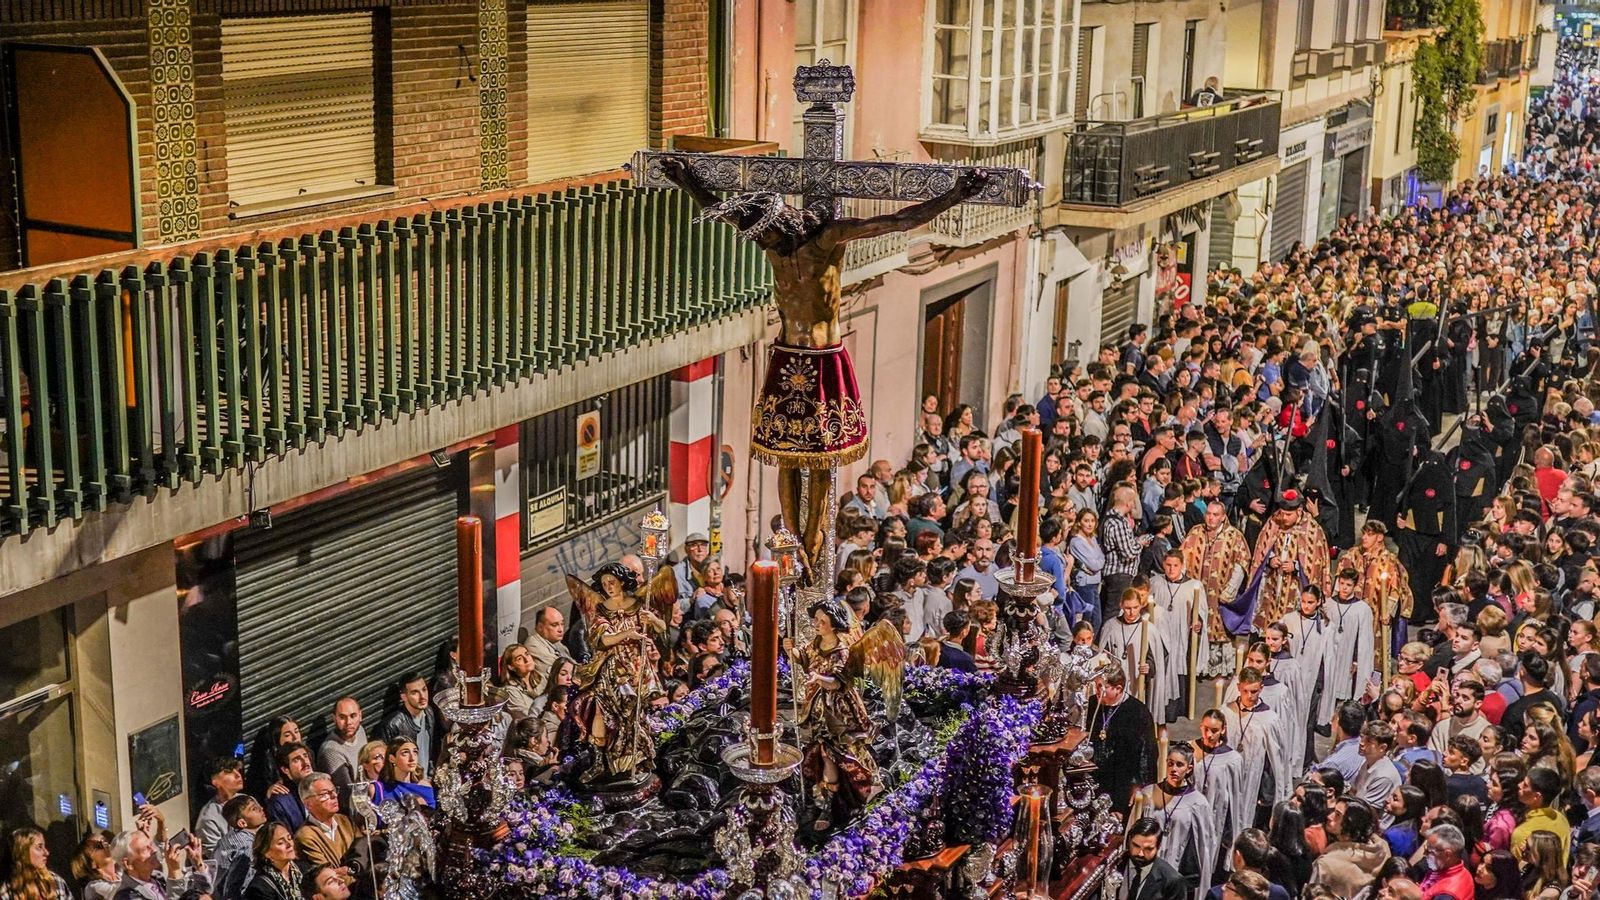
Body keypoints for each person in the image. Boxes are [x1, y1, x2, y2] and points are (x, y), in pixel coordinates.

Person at [1145, 743, 1220, 897]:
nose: (1174, 769)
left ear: (1189, 769)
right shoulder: (1149, 793)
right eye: (1170, 763)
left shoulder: (1198, 802)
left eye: (1179, 765)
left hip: (1178, 868)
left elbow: (1204, 845)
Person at [1087, 666, 1158, 818]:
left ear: (1118, 688)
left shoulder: (1138, 712)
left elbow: (1148, 754)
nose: (1097, 690)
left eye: (1103, 687)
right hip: (1094, 780)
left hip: (1122, 783)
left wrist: (1140, 785)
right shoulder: (1092, 705)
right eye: (1097, 685)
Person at [1225, 666, 1291, 828]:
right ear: (1239, 687)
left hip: (1256, 779)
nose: (1249, 696)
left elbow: (1278, 756)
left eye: (1254, 691)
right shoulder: (1226, 711)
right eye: (1245, 691)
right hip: (1230, 777)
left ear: (1261, 688)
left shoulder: (1269, 719)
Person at [1193, 709, 1249, 862]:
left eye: (1214, 730)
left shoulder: (1232, 759)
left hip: (1217, 817)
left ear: (1223, 730)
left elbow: (1236, 797)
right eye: (1205, 729)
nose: (1209, 735)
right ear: (1200, 727)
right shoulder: (1190, 749)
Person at [1308, 797, 1387, 899]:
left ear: (1351, 823)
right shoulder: (1382, 849)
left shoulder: (1326, 865)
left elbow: (1310, 895)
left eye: (1337, 815)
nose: (1329, 816)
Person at [108, 829, 207, 900]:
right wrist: (174, 872)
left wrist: (197, 862)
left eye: (151, 845)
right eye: (145, 849)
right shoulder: (126, 896)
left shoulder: (158, 878)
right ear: (128, 863)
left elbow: (202, 893)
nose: (154, 850)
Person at [380, 673, 445, 778]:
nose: (422, 696)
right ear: (404, 697)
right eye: (415, 693)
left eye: (424, 690)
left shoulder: (429, 712)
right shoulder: (393, 725)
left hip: (425, 779)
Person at [292, 773, 354, 870]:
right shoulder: (305, 836)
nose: (334, 796)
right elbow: (329, 876)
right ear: (308, 804)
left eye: (334, 790)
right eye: (325, 794)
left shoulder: (344, 820)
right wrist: (357, 872)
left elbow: (365, 852)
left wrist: (354, 869)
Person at [1118, 817, 1188, 900]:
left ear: (1158, 846)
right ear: (1129, 841)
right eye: (1136, 846)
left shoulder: (1172, 881)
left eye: (1148, 849)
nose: (1140, 854)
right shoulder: (1115, 864)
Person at [1511, 765, 1571, 862]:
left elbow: (1515, 868)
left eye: (1525, 785)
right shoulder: (1561, 819)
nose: (1519, 785)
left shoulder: (1522, 832)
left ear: (1536, 796)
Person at [1351, 721, 1404, 828]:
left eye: (1369, 741)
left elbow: (1367, 812)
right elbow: (1354, 791)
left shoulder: (1384, 776)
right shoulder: (1367, 762)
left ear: (1382, 747)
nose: (1362, 743)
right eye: (1362, 738)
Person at [195, 757, 246, 859]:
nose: (238, 775)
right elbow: (217, 858)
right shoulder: (209, 818)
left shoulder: (248, 800)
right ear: (215, 782)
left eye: (237, 770)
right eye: (229, 772)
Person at [4, 827, 73, 900]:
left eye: (44, 846)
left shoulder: (57, 882)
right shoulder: (8, 891)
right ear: (23, 852)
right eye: (39, 847)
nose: (47, 853)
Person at [316, 698, 366, 791]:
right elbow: (347, 792)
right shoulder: (331, 751)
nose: (348, 722)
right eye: (342, 717)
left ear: (360, 716)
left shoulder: (360, 731)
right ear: (334, 718)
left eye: (353, 716)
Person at [241, 823, 298, 900]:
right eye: (281, 843)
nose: (289, 844)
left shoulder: (304, 868)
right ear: (266, 853)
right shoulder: (259, 888)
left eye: (289, 838)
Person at [1418, 824, 1474, 900]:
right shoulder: (1455, 867)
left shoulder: (1446, 896)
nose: (1425, 854)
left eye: (1430, 851)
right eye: (1426, 848)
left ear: (1447, 854)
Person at [264, 743, 313, 830]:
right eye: (297, 760)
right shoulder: (280, 802)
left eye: (305, 756)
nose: (305, 763)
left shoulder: (324, 783)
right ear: (285, 770)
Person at [374, 738, 435, 807]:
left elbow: (432, 816)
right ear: (392, 758)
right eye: (405, 753)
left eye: (415, 752)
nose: (412, 758)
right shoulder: (379, 788)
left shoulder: (424, 787)